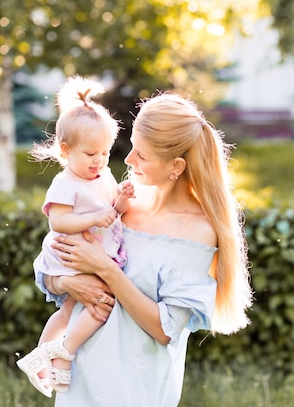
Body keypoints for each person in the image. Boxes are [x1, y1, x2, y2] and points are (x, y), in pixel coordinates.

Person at [37, 92, 253, 407]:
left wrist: (106, 270)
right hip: (80, 379)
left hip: (134, 389)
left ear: (176, 166)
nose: (127, 160)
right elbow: (55, 259)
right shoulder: (122, 201)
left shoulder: (197, 231)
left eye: (141, 154)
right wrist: (65, 282)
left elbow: (166, 329)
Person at [16, 76, 135, 398]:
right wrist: (95, 217)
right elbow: (58, 221)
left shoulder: (103, 175)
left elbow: (112, 209)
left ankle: (43, 356)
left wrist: (121, 199)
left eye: (106, 153)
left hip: (92, 251)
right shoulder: (66, 183)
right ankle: (62, 354)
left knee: (70, 311)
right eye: (91, 153)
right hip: (70, 254)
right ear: (66, 150)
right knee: (98, 306)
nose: (99, 161)